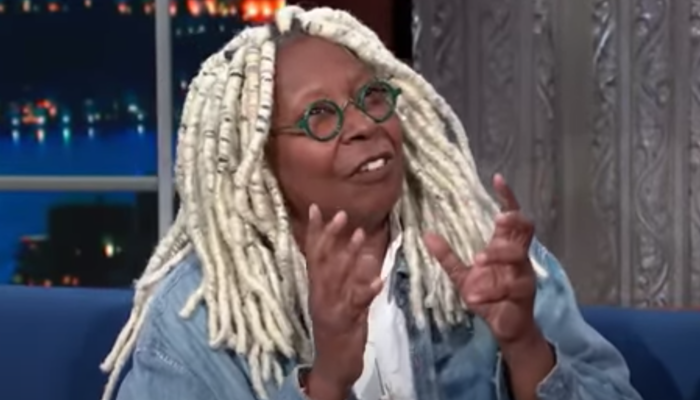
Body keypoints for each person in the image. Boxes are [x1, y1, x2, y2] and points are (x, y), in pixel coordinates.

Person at [101, 6, 642, 400]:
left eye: (372, 95)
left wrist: (524, 345)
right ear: (257, 160)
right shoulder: (197, 314)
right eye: (319, 115)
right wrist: (326, 381)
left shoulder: (485, 253)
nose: (363, 125)